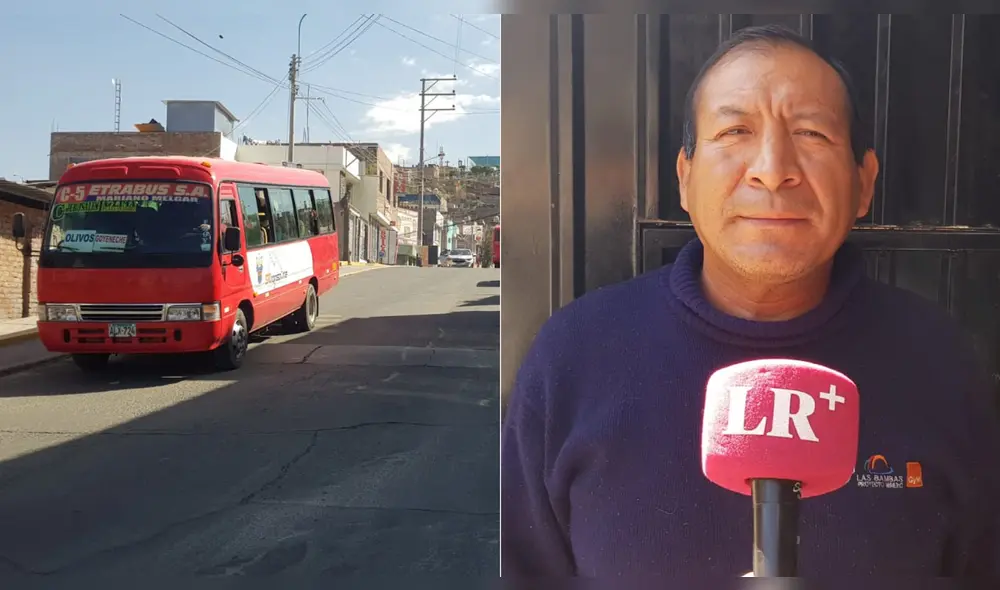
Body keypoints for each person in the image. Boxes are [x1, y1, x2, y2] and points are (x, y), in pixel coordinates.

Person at [500, 24, 1000, 579]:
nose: (772, 169)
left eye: (811, 134)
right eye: (735, 130)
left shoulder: (941, 363)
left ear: (864, 183)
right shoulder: (574, 355)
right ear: (685, 179)